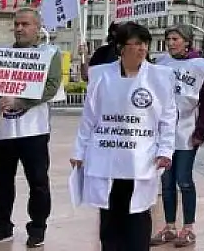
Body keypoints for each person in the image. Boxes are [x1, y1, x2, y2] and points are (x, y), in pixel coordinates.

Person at [71, 22, 178, 251]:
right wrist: (79, 152)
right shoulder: (100, 75)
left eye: (145, 44)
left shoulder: (160, 77)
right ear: (121, 47)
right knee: (110, 212)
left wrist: (165, 150)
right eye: (136, 44)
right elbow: (89, 117)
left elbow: (168, 118)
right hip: (107, 154)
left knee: (138, 212)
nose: (142, 49)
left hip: (141, 157)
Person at [0, 9, 63, 249]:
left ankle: (37, 228)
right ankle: (2, 225)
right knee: (1, 181)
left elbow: (52, 86)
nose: (19, 28)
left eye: (25, 24)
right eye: (16, 24)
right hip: (2, 131)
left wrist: (21, 102)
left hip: (33, 131)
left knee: (37, 181)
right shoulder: (0, 54)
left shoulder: (49, 53)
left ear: (37, 27)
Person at [150, 25, 204, 247]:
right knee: (166, 181)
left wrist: (201, 131)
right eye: (168, 38)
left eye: (175, 38)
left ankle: (188, 227)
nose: (170, 43)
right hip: (165, 133)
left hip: (188, 130)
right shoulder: (161, 64)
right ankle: (169, 226)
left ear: (187, 41)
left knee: (184, 180)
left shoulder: (200, 66)